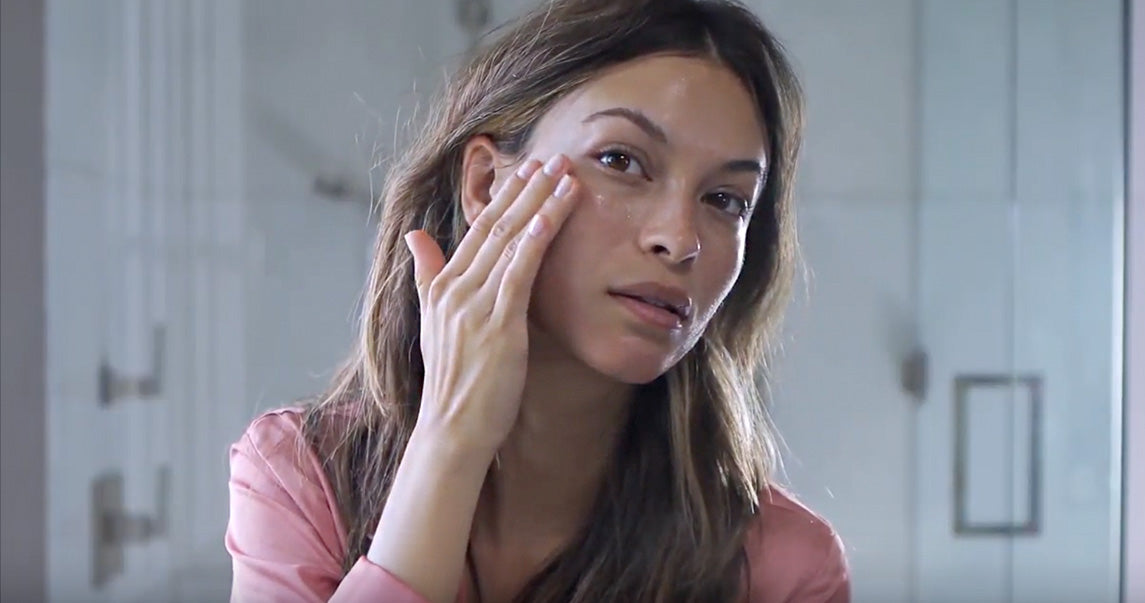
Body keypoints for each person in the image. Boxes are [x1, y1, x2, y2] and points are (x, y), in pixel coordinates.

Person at [225, 0, 849, 601]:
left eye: (726, 200)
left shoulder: (786, 569)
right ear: (485, 184)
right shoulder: (301, 478)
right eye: (621, 160)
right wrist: (451, 443)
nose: (679, 239)